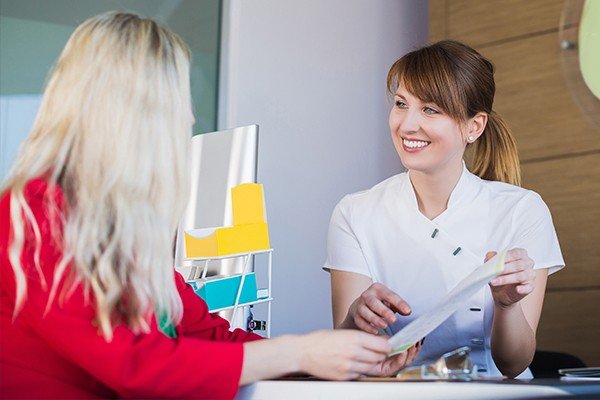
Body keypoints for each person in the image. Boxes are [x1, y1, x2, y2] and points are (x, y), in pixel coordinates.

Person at [0, 12, 420, 399]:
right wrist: (300, 353)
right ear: (132, 114)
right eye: (176, 102)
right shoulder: (32, 214)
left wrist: (342, 358)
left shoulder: (117, 230)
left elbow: (211, 338)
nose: (188, 119)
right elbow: (135, 364)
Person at [326, 40, 565, 379]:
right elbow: (346, 356)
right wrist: (355, 318)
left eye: (430, 110)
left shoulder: (522, 210)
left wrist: (507, 305)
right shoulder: (354, 212)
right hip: (395, 391)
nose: (407, 125)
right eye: (400, 104)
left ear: (474, 127)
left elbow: (514, 363)